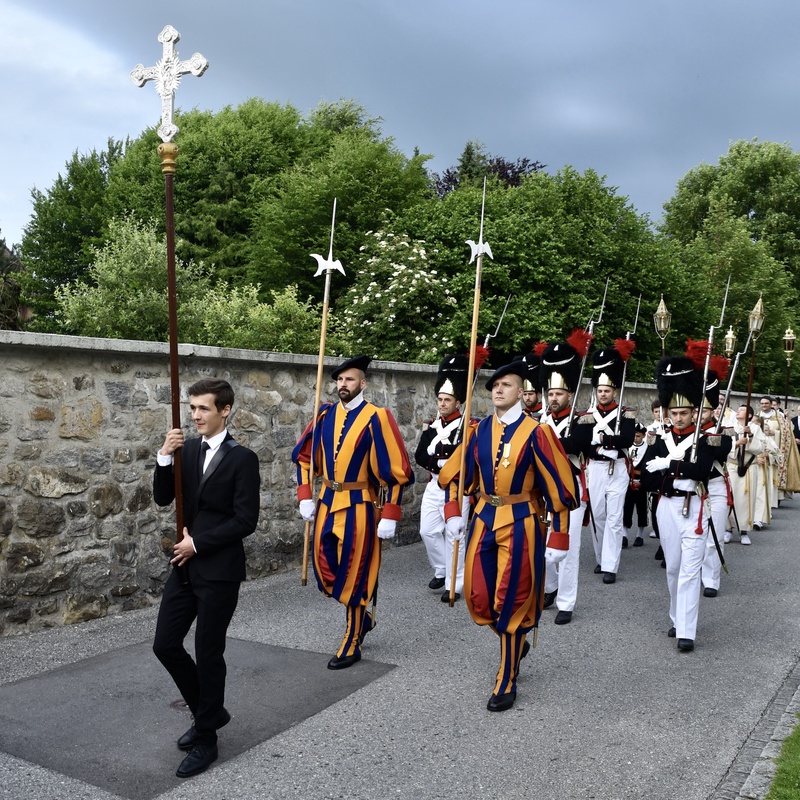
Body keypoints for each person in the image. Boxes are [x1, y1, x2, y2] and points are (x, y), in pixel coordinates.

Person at [439, 359, 578, 711]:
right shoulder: (479, 430)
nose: (498, 389)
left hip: (522, 521)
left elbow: (559, 487)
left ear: (521, 392)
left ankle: (507, 673)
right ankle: (514, 641)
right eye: (494, 385)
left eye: (506, 385)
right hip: (484, 517)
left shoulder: (538, 432)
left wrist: (559, 536)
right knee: (477, 595)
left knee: (512, 599)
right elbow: (456, 475)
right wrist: (453, 511)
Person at [152, 378, 261, 778]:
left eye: (203, 408)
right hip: (183, 569)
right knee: (165, 645)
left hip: (218, 571)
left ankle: (206, 739)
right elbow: (165, 498)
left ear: (224, 410)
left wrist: (197, 543)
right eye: (192, 407)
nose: (195, 415)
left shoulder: (242, 459)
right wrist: (165, 456)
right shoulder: (187, 448)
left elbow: (245, 521)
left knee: (208, 652)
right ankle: (209, 714)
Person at [292, 356, 414, 670]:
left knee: (356, 572)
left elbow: (398, 471)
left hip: (361, 504)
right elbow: (305, 458)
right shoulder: (324, 415)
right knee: (323, 569)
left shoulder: (378, 417)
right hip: (327, 501)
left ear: (363, 383)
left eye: (350, 379)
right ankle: (363, 616)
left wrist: (391, 512)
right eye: (340, 380)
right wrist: (305, 494)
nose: (343, 385)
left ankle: (352, 637)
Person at [642, 357, 714, 653]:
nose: (679, 418)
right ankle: (676, 617)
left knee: (689, 570)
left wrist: (669, 465)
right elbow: (647, 475)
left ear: (694, 412)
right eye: (674, 413)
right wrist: (669, 468)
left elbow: (702, 471)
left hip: (694, 507)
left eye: (684, 413)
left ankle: (687, 630)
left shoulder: (706, 438)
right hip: (667, 507)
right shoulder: (660, 438)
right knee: (672, 568)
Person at [538, 332, 591, 624]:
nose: (553, 398)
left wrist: (548, 442)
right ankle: (549, 588)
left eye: (558, 394)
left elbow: (577, 445)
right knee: (544, 543)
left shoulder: (583, 420)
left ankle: (567, 602)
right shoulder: (540, 421)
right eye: (550, 394)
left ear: (569, 394)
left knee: (568, 548)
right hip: (543, 490)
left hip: (570, 490)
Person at [573, 342, 636, 584]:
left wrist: (602, 439)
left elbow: (627, 439)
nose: (603, 394)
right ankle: (601, 558)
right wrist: (605, 442)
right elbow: (583, 444)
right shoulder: (587, 415)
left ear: (614, 392)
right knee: (598, 515)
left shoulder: (625, 414)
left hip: (617, 469)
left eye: (607, 391)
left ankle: (611, 565)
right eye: (600, 391)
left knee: (614, 517)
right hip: (596, 468)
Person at [414, 354, 471, 602]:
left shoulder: (468, 427)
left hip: (456, 488)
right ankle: (441, 570)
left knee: (454, 535)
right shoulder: (432, 426)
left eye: (447, 400)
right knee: (427, 531)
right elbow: (419, 455)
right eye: (440, 399)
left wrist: (439, 457)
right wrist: (440, 460)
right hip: (434, 484)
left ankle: (454, 585)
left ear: (458, 402)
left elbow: (464, 458)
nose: (442, 403)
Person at [725, 404, 766, 545]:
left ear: (749, 415)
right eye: (739, 409)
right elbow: (723, 446)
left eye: (743, 410)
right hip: (732, 466)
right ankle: (728, 529)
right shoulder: (728, 427)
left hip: (749, 468)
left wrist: (749, 436)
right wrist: (736, 443)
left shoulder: (756, 428)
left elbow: (760, 448)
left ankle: (744, 531)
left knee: (746, 500)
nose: (739, 411)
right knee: (729, 498)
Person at [623, 422, 649, 548]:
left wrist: (643, 482)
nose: (635, 438)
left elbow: (649, 467)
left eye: (638, 436)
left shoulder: (648, 448)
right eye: (634, 435)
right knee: (627, 507)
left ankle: (640, 535)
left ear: (643, 436)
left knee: (641, 508)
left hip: (641, 482)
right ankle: (624, 535)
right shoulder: (627, 447)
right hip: (627, 481)